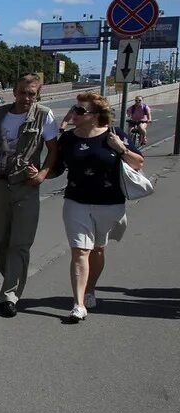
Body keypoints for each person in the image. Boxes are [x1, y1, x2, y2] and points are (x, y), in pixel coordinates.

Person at [0, 73, 59, 317]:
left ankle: (9, 295)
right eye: (22, 92)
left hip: (26, 186)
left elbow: (53, 150)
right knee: (0, 243)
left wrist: (42, 174)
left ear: (38, 94)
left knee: (20, 244)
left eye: (31, 93)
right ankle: (12, 279)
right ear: (14, 91)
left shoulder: (44, 115)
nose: (26, 98)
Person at [50, 91, 145, 322]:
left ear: (95, 115)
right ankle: (78, 304)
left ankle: (90, 289)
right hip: (76, 202)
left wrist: (120, 148)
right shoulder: (69, 139)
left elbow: (139, 162)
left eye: (80, 111)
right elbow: (58, 168)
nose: (75, 113)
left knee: (98, 249)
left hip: (109, 203)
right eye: (75, 109)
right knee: (80, 251)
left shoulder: (115, 134)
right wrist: (39, 174)